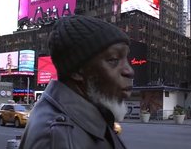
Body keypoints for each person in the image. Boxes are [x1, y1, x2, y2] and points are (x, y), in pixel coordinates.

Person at [19, 15, 134, 149]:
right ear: (78, 71)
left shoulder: (89, 116)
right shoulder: (59, 137)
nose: (129, 71)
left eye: (126, 58)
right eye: (113, 59)